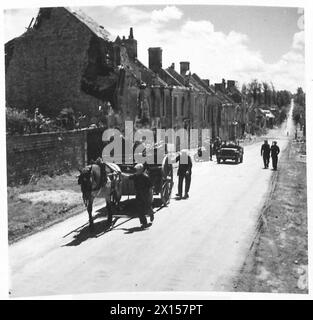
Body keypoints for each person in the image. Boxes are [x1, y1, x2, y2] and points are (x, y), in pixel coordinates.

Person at [128, 163, 154, 228]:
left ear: (141, 170)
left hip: (146, 195)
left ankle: (151, 214)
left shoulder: (145, 177)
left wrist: (150, 196)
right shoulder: (135, 176)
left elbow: (150, 187)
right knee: (140, 209)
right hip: (139, 194)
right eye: (136, 170)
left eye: (137, 170)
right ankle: (144, 222)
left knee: (148, 206)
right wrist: (120, 174)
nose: (136, 171)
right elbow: (127, 176)